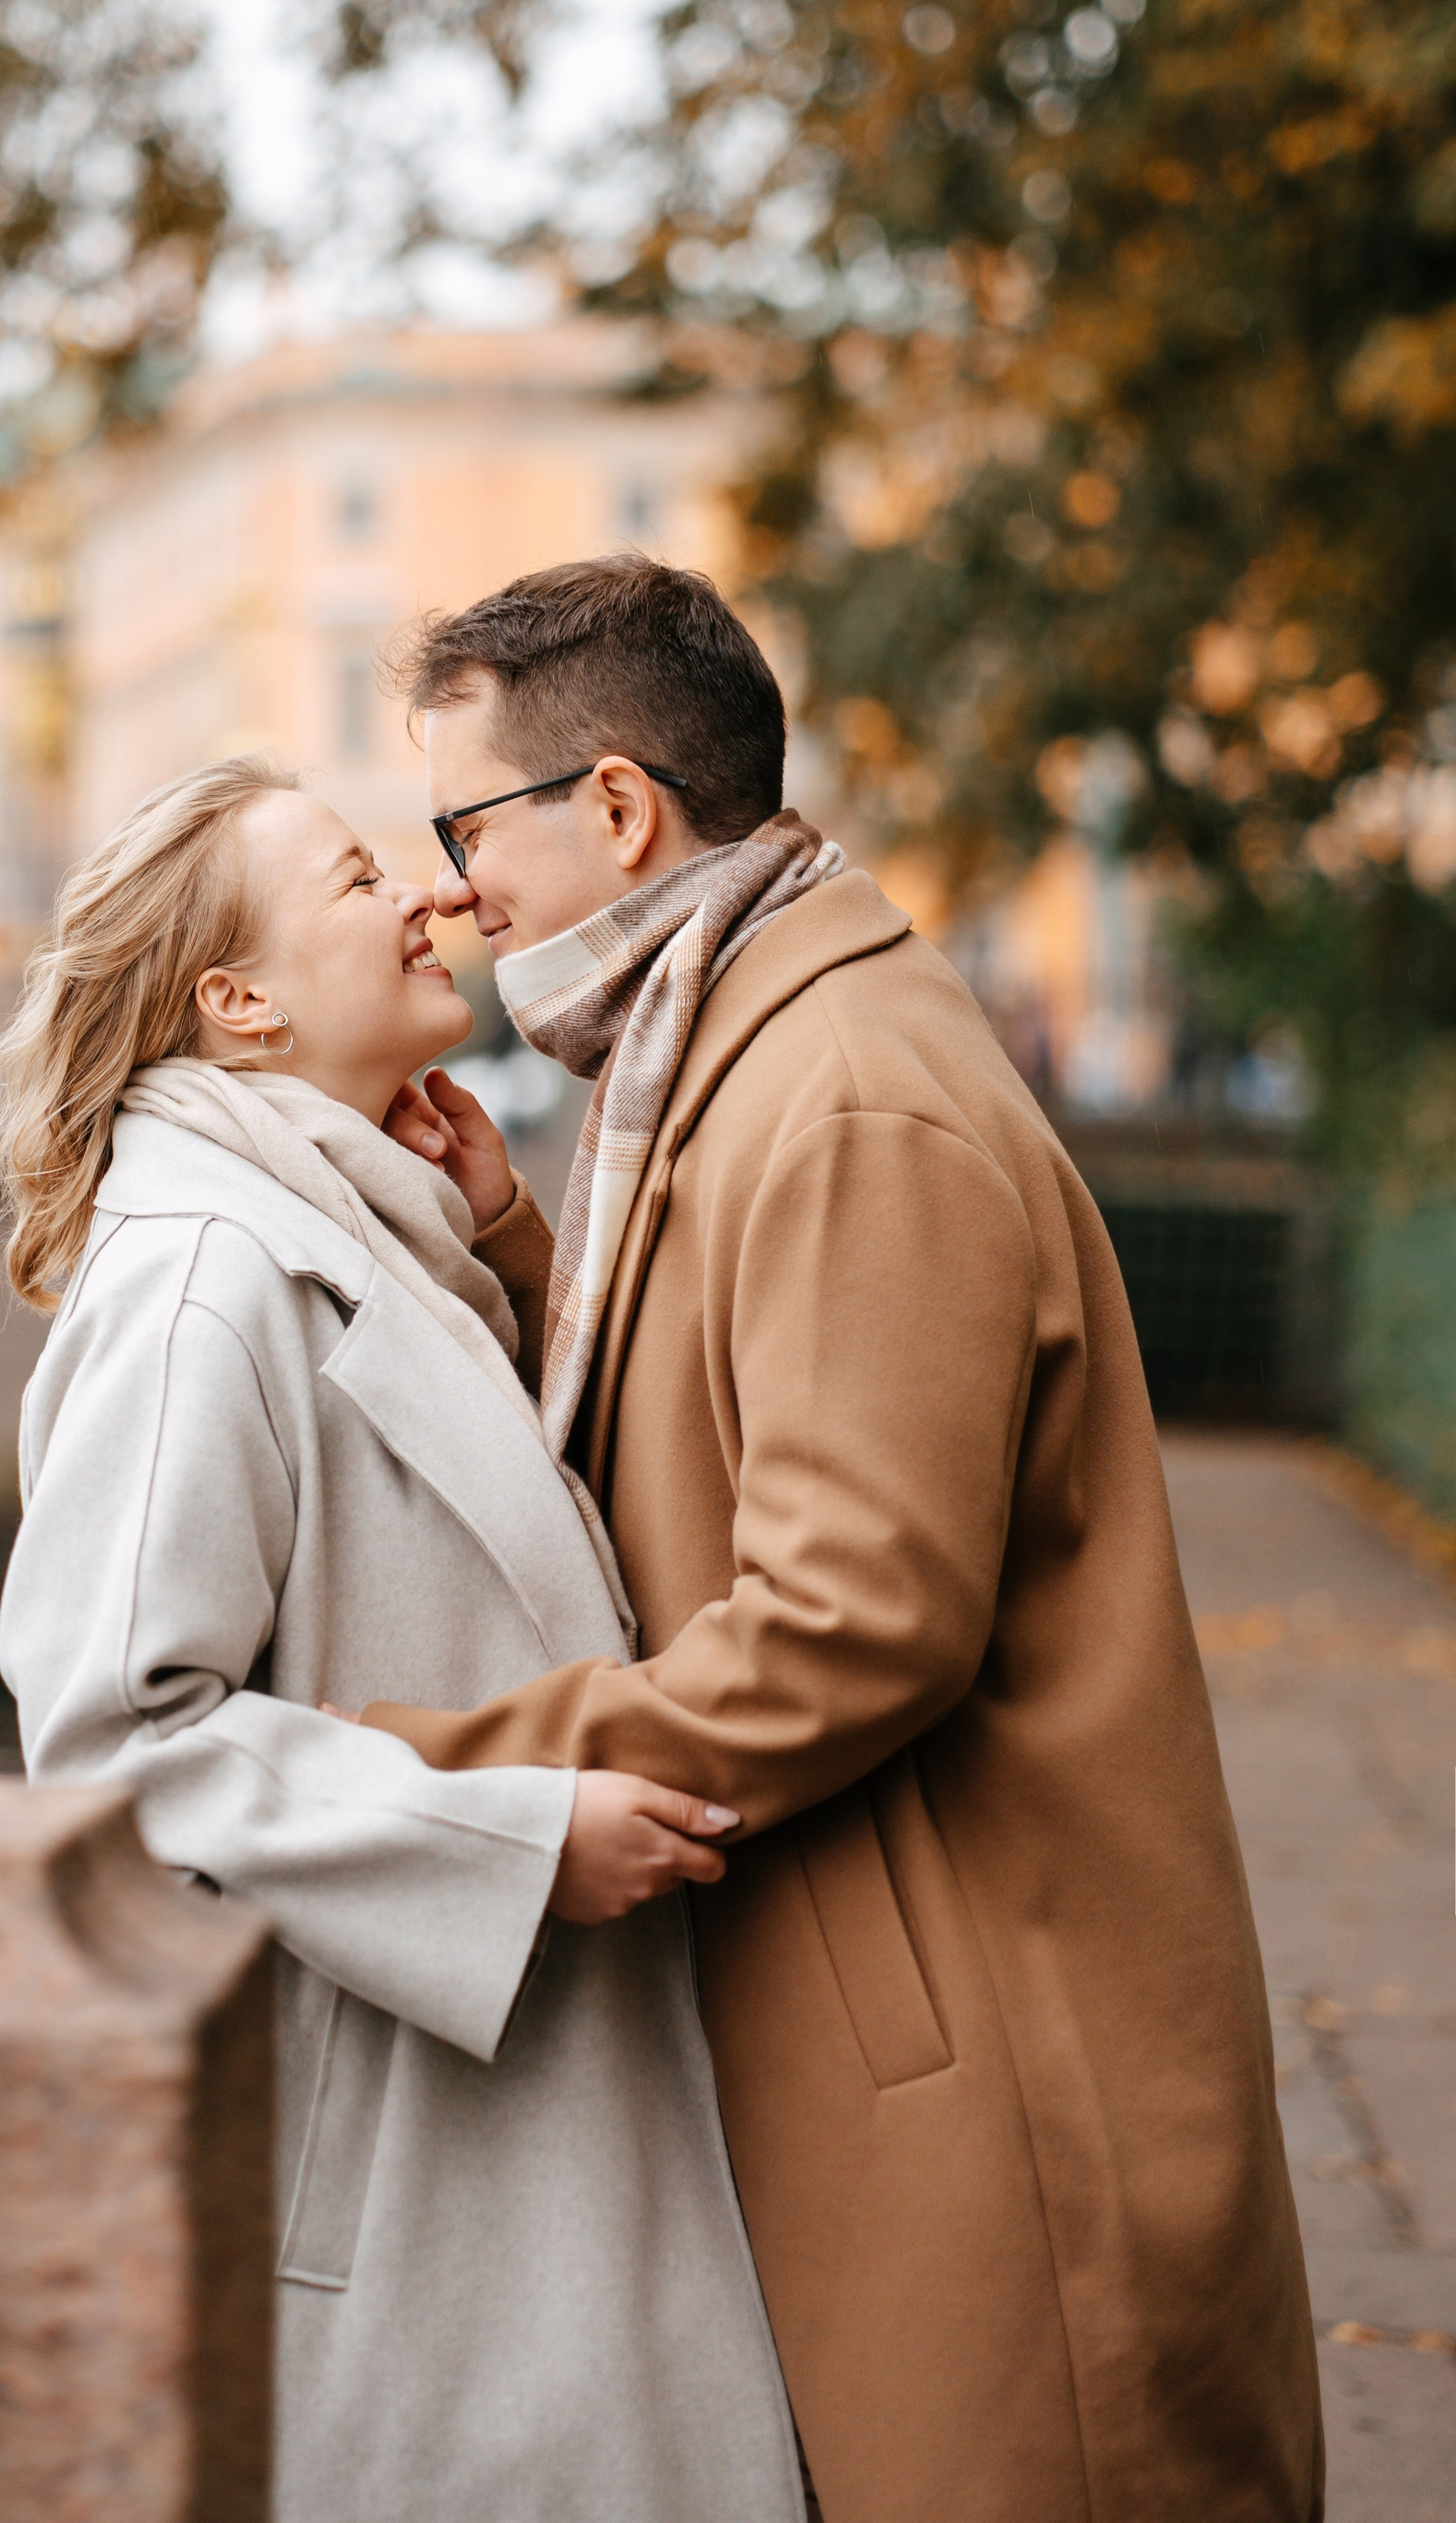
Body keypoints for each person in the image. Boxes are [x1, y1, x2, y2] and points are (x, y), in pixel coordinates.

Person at [368, 554, 1321, 2523]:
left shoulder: (838, 1093)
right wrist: (520, 1247)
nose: (454, 891)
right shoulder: (750, 1039)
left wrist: (411, 1783)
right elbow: (749, 1406)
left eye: (466, 828)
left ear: (616, 809)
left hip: (989, 2079)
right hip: (927, 2025)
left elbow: (850, 1619)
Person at [0, 755, 805, 2523]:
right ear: (240, 1000)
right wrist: (510, 1836)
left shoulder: (345, 1225)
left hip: (508, 2148)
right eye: (360, 879)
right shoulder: (199, 1273)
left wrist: (504, 1251)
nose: (429, 894)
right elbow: (113, 1746)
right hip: (414, 2174)